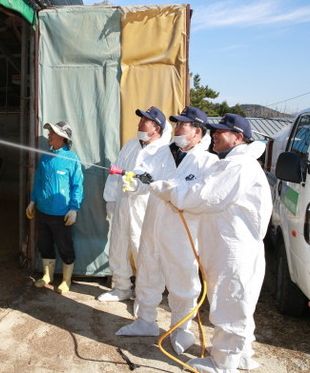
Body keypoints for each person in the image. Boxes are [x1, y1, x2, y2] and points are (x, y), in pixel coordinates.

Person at [149, 114, 272, 373]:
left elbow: (207, 196)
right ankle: (241, 356)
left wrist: (171, 192)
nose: (214, 134)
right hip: (230, 246)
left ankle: (224, 363)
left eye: (222, 132)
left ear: (238, 137)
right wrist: (175, 193)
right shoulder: (232, 163)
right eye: (214, 130)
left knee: (230, 302)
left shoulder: (239, 166)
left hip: (234, 249)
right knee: (238, 302)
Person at [116, 106, 218, 357]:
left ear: (197, 131)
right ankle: (146, 320)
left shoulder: (208, 162)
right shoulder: (163, 153)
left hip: (182, 234)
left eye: (183, 125)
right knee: (148, 272)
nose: (177, 128)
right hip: (153, 227)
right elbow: (145, 177)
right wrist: (135, 183)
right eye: (176, 124)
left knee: (183, 281)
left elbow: (204, 198)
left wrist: (173, 191)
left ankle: (181, 328)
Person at [98, 107, 169, 302]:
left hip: (144, 207)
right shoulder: (130, 145)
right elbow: (116, 172)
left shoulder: (164, 151)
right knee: (118, 246)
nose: (139, 124)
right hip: (123, 203)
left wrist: (139, 186)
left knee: (142, 248)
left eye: (144, 121)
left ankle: (145, 294)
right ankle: (121, 287)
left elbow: (160, 182)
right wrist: (110, 199)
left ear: (156, 127)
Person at [26, 121, 84, 294]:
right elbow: (38, 181)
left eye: (52, 133)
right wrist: (32, 201)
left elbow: (78, 185)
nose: (49, 135)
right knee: (45, 244)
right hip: (42, 211)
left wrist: (74, 208)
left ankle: (66, 280)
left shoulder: (72, 159)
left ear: (63, 137)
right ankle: (47, 276)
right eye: (50, 132)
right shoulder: (45, 158)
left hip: (62, 214)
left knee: (64, 246)